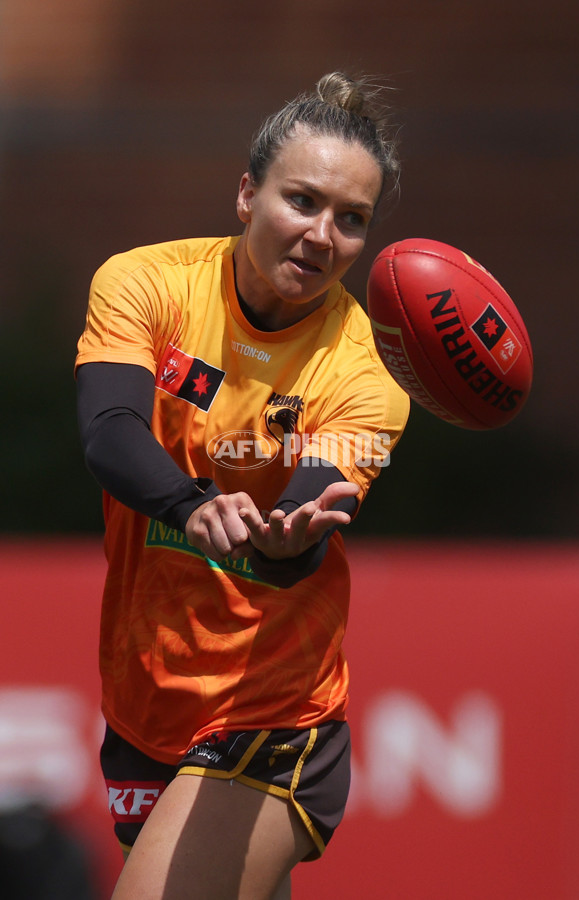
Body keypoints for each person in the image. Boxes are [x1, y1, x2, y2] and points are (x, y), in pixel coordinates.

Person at [75, 71, 410, 900]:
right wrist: (193, 508)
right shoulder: (145, 282)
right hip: (146, 699)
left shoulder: (371, 373)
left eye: (352, 219)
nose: (322, 234)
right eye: (301, 201)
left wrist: (287, 542)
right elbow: (109, 430)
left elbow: (308, 519)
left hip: (274, 713)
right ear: (246, 193)